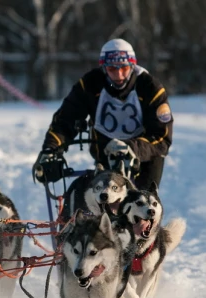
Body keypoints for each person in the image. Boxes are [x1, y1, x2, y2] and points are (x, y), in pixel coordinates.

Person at [33, 38, 173, 191]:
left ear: (132, 66)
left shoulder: (150, 88)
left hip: (145, 158)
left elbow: (162, 138)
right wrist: (50, 150)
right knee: (105, 203)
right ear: (104, 68)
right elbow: (66, 120)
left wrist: (131, 147)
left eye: (124, 68)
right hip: (106, 154)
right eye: (113, 69)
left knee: (142, 206)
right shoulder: (90, 84)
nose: (119, 75)